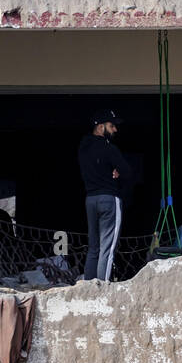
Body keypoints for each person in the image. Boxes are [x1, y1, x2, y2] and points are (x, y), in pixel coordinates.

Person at [79, 107, 132, 281]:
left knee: (93, 247)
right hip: (108, 199)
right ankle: (103, 291)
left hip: (90, 200)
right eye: (112, 126)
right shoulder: (110, 149)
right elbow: (128, 172)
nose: (115, 129)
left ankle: (88, 288)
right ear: (100, 127)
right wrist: (118, 171)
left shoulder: (83, 147)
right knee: (107, 249)